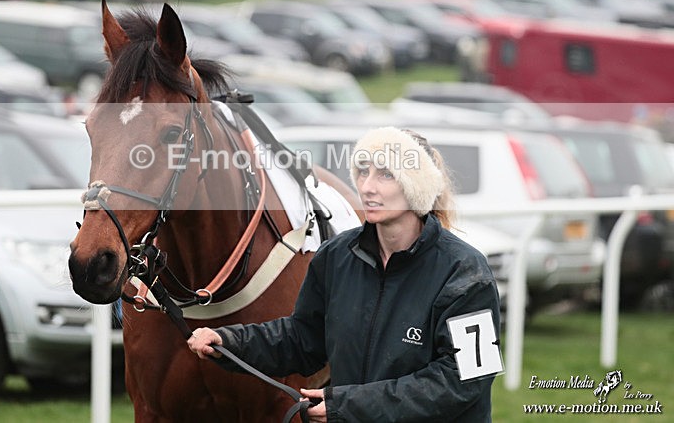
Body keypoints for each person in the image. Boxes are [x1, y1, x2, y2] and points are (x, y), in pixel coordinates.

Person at [189, 126, 501, 422]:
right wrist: (229, 341)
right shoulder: (336, 257)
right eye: (363, 171)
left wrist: (349, 407)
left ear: (417, 186)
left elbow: (463, 381)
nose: (367, 187)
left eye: (385, 175)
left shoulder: (466, 272)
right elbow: (302, 340)